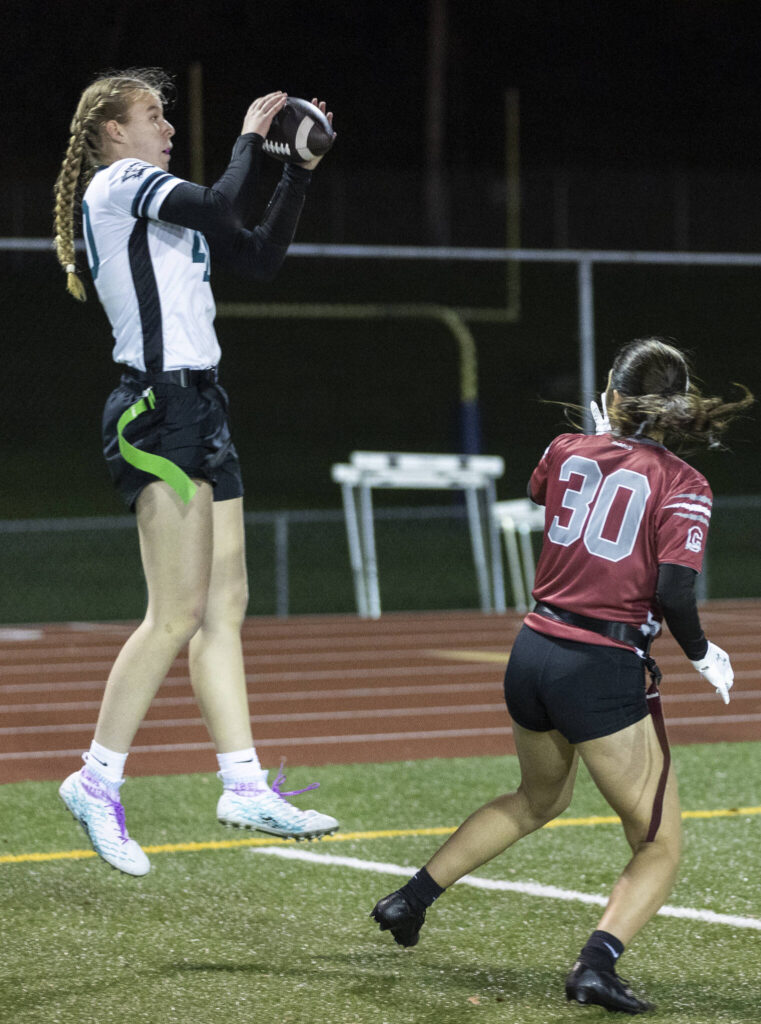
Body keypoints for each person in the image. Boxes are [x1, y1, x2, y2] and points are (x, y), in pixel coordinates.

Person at [371, 337, 753, 1014]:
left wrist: (607, 439)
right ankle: (595, 966)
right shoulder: (683, 483)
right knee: (658, 843)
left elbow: (550, 496)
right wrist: (697, 650)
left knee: (536, 800)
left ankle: (410, 898)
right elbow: (672, 589)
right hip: (598, 665)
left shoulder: (564, 449)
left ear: (609, 395)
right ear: (675, 407)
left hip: (533, 649)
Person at [53, 68, 339, 877]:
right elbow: (220, 206)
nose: (167, 128)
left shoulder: (164, 207)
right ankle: (96, 778)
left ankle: (242, 783)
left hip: (201, 411)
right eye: (152, 115)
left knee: (226, 604)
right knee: (173, 613)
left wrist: (295, 171)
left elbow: (256, 256)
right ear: (112, 131)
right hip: (156, 417)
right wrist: (252, 135)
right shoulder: (120, 183)